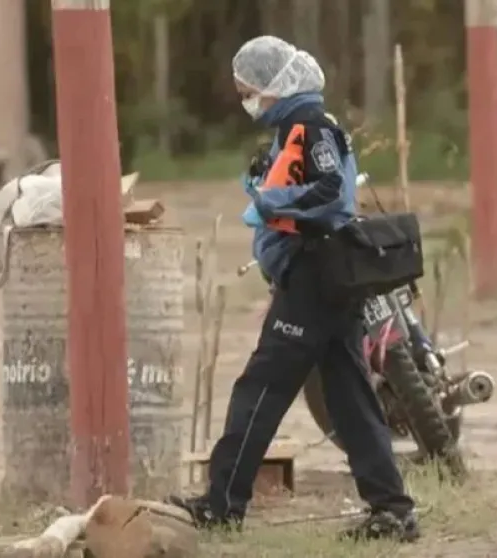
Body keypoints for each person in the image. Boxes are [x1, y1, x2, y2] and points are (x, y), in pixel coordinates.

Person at [169, 36, 419, 542]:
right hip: (323, 275)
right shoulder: (295, 128)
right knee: (350, 397)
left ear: (275, 84)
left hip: (314, 275)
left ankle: (222, 506)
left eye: (249, 90)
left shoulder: (309, 125)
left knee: (261, 388)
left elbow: (330, 192)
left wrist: (273, 203)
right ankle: (392, 510)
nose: (246, 100)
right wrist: (268, 187)